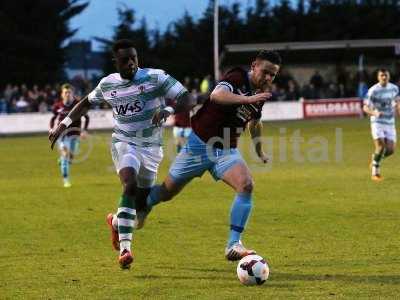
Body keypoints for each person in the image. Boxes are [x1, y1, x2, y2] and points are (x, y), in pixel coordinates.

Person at [49, 39, 192, 269]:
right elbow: (85, 102)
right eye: (125, 60)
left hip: (152, 148)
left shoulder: (155, 77)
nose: (131, 63)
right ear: (116, 62)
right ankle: (126, 250)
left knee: (140, 207)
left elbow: (187, 98)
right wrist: (64, 124)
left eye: (134, 58)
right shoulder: (108, 84)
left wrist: (168, 109)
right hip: (124, 143)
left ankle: (115, 222)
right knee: (129, 184)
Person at [136, 50, 281, 261]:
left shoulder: (260, 95)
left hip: (226, 151)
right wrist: (247, 98)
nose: (268, 78)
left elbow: (254, 122)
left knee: (246, 185)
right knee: (167, 192)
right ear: (254, 66)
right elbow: (217, 95)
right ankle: (141, 206)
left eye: (273, 75)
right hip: (199, 145)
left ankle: (234, 244)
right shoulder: (237, 77)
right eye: (265, 72)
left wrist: (260, 151)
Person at [49, 83, 89, 187]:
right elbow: (53, 119)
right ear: (62, 94)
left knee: (70, 158)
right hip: (62, 134)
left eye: (69, 92)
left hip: (75, 134)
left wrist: (84, 131)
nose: (67, 94)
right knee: (65, 155)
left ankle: (62, 160)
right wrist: (52, 129)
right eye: (65, 92)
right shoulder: (57, 106)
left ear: (72, 93)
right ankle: (66, 180)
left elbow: (87, 118)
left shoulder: (78, 104)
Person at [363, 69, 400, 181]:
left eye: (386, 75)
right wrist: (374, 113)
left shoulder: (394, 88)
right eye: (382, 75)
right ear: (378, 77)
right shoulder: (373, 90)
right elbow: (365, 107)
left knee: (390, 150)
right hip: (377, 122)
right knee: (381, 146)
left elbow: (397, 102)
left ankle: (375, 159)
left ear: (389, 76)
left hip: (390, 122)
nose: (384, 77)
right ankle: (375, 172)